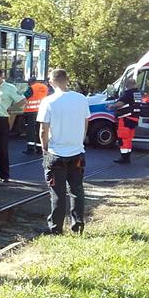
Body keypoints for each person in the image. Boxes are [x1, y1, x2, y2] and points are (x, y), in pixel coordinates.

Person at [37, 67, 90, 235]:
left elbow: (43, 130)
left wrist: (45, 149)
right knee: (77, 189)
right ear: (67, 80)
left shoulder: (48, 102)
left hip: (55, 153)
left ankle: (56, 228)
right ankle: (78, 224)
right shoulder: (81, 99)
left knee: (57, 192)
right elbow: (85, 122)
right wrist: (79, 141)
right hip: (77, 152)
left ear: (51, 82)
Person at [0, 67, 25, 182]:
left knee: (2, 149)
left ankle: (5, 175)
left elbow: (23, 100)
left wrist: (12, 108)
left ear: (1, 77)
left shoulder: (10, 88)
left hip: (2, 119)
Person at [110, 77, 143, 164]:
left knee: (123, 138)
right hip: (134, 118)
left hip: (126, 118)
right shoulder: (138, 93)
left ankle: (124, 157)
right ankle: (127, 156)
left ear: (127, 85)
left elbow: (120, 104)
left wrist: (112, 106)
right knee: (128, 138)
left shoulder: (128, 93)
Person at [20, 76, 49, 155]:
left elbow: (24, 98)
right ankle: (40, 149)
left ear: (30, 82)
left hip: (31, 112)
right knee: (39, 130)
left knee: (31, 131)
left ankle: (31, 149)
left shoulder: (32, 88)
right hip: (42, 111)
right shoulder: (45, 87)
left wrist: (13, 106)